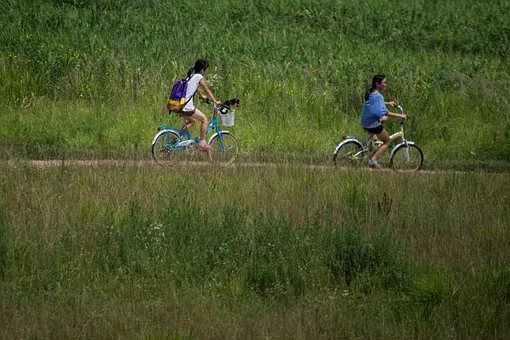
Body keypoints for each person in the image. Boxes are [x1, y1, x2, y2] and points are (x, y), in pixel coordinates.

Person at [361, 74, 407, 169]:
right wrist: (400, 115)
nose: (385, 85)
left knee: (376, 135)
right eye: (384, 83)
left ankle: (372, 147)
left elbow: (376, 103)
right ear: (378, 84)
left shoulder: (371, 93)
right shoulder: (379, 96)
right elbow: (385, 112)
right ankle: (373, 160)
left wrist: (388, 103)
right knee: (387, 141)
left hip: (364, 121)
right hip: (372, 123)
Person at [179, 59, 221, 151]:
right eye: (206, 70)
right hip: (187, 107)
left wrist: (202, 96)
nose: (206, 72)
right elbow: (206, 88)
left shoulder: (190, 76)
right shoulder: (198, 76)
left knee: (192, 121)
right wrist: (215, 101)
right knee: (204, 119)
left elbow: (195, 88)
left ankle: (176, 138)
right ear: (202, 70)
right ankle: (202, 143)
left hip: (180, 106)